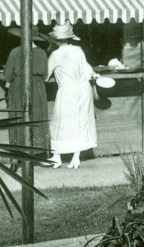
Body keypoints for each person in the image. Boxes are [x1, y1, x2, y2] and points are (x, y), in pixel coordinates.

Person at [45, 23, 116, 168]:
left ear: (56, 40)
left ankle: (57, 156)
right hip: (83, 89)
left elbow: (45, 76)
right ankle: (75, 157)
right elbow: (87, 68)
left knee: (61, 121)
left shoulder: (55, 55)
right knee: (80, 121)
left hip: (67, 90)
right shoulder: (78, 50)